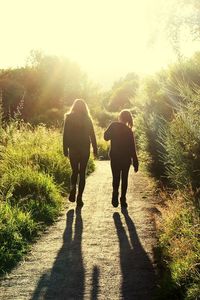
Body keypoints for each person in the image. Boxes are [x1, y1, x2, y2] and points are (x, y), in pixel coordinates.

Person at [63, 99, 97, 207]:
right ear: (84, 107)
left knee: (74, 171)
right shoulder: (87, 119)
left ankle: (73, 189)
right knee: (82, 173)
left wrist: (65, 148)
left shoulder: (69, 117)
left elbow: (65, 134)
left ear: (74, 106)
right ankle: (79, 198)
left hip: (73, 148)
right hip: (84, 148)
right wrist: (95, 149)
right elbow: (92, 135)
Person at [104, 109, 138, 208]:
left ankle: (115, 192)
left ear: (120, 117)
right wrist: (135, 162)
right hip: (126, 158)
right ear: (129, 119)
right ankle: (123, 199)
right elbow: (133, 148)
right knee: (124, 178)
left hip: (115, 156)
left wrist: (111, 133)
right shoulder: (129, 131)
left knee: (115, 177)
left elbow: (106, 137)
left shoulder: (113, 125)